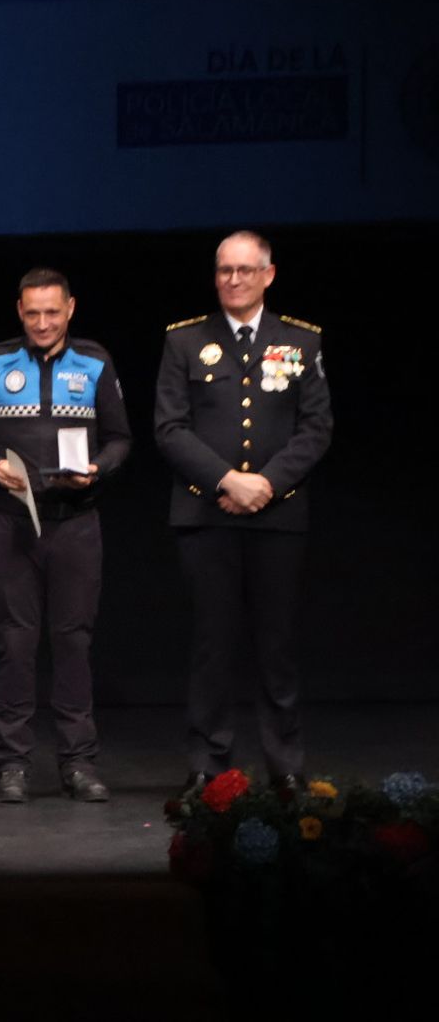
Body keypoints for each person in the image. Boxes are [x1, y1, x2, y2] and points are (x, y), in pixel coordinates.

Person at [154, 231, 332, 798]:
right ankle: (209, 765)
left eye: (245, 271)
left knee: (276, 645)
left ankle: (284, 764)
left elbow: (316, 428)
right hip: (207, 516)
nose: (234, 280)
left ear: (268, 275)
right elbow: (169, 428)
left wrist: (266, 485)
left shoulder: (300, 341)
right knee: (213, 643)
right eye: (225, 270)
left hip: (277, 517)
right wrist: (227, 481)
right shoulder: (185, 341)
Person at [0, 268, 131, 804]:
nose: (42, 322)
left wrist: (98, 469)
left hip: (76, 523)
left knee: (73, 644)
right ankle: (12, 764)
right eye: (32, 313)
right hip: (11, 523)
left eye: (52, 312)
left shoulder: (96, 361)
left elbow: (121, 438)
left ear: (71, 308)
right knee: (15, 644)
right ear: (19, 310)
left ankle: (78, 762)